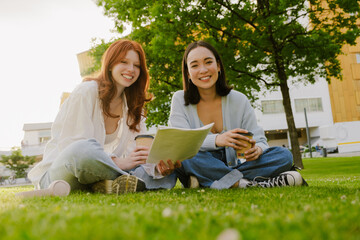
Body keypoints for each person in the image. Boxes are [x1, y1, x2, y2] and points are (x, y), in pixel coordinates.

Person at [28, 39, 179, 195]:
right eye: (124, 62)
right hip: (63, 173)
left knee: (166, 175)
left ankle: (114, 184)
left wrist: (157, 166)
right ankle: (127, 182)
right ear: (111, 64)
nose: (131, 69)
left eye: (136, 65)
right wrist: (118, 162)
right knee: (85, 149)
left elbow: (136, 157)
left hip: (97, 175)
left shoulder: (133, 107)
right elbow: (72, 146)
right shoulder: (86, 91)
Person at [169, 41, 307, 189]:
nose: (203, 70)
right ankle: (247, 183)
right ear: (188, 73)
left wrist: (257, 149)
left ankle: (213, 180)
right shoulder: (179, 99)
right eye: (195, 65)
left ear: (219, 66)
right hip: (201, 160)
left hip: (234, 165)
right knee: (187, 157)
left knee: (283, 155)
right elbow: (181, 143)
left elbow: (260, 140)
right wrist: (218, 140)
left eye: (208, 62)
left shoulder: (239, 99)